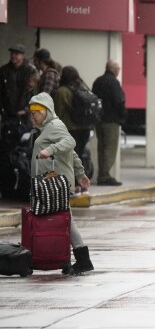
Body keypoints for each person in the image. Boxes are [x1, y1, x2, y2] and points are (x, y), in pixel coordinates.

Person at [28, 92, 94, 275]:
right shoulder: (48, 128)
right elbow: (71, 153)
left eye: (37, 110)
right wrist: (80, 173)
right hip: (53, 183)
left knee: (65, 220)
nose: (33, 114)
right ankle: (70, 259)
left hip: (55, 183)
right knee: (63, 220)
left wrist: (49, 150)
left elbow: (70, 142)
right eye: (31, 110)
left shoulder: (54, 125)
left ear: (47, 111)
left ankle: (80, 259)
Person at [54, 66, 93, 194]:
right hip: (84, 129)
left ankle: (74, 186)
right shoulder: (82, 88)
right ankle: (83, 186)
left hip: (70, 130)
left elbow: (58, 113)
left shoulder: (62, 92)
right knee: (80, 157)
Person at [92, 59, 126, 186]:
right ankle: (105, 175)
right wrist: (123, 117)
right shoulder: (114, 82)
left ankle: (102, 174)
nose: (119, 72)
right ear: (114, 70)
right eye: (118, 69)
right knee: (110, 148)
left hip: (99, 120)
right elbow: (119, 101)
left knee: (101, 147)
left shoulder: (98, 81)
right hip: (111, 120)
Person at [0, 43, 38, 141]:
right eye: (12, 53)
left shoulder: (30, 70)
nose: (13, 56)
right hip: (8, 114)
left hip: (25, 115)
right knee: (7, 141)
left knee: (24, 141)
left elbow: (35, 94)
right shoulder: (4, 70)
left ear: (23, 55)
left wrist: (26, 109)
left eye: (16, 53)